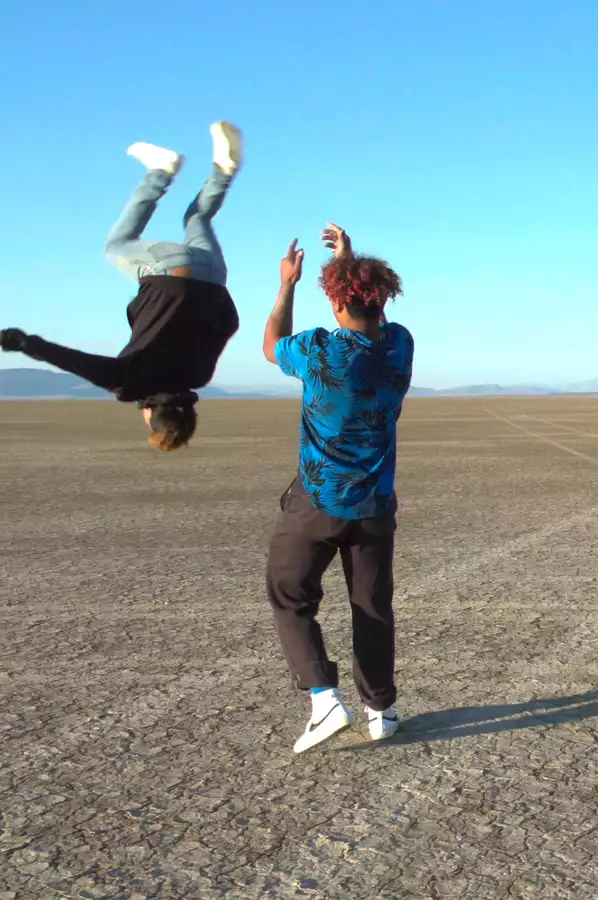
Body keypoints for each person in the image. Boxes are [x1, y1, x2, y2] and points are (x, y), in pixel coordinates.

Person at [0, 122, 244, 451]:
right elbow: (68, 359)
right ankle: (160, 172)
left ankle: (224, 170)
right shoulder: (129, 382)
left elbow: (230, 323)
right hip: (168, 272)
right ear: (149, 415)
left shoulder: (200, 376)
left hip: (213, 275)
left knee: (197, 219)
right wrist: (11, 339)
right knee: (116, 246)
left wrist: (211, 292)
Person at [264, 222, 415, 753]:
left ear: (334, 301)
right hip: (375, 504)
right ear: (383, 298)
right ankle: (381, 709)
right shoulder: (399, 346)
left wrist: (288, 284)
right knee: (371, 605)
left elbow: (272, 346)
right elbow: (377, 322)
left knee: (289, 591)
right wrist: (347, 267)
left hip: (319, 499)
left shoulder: (320, 351)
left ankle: (324, 698)